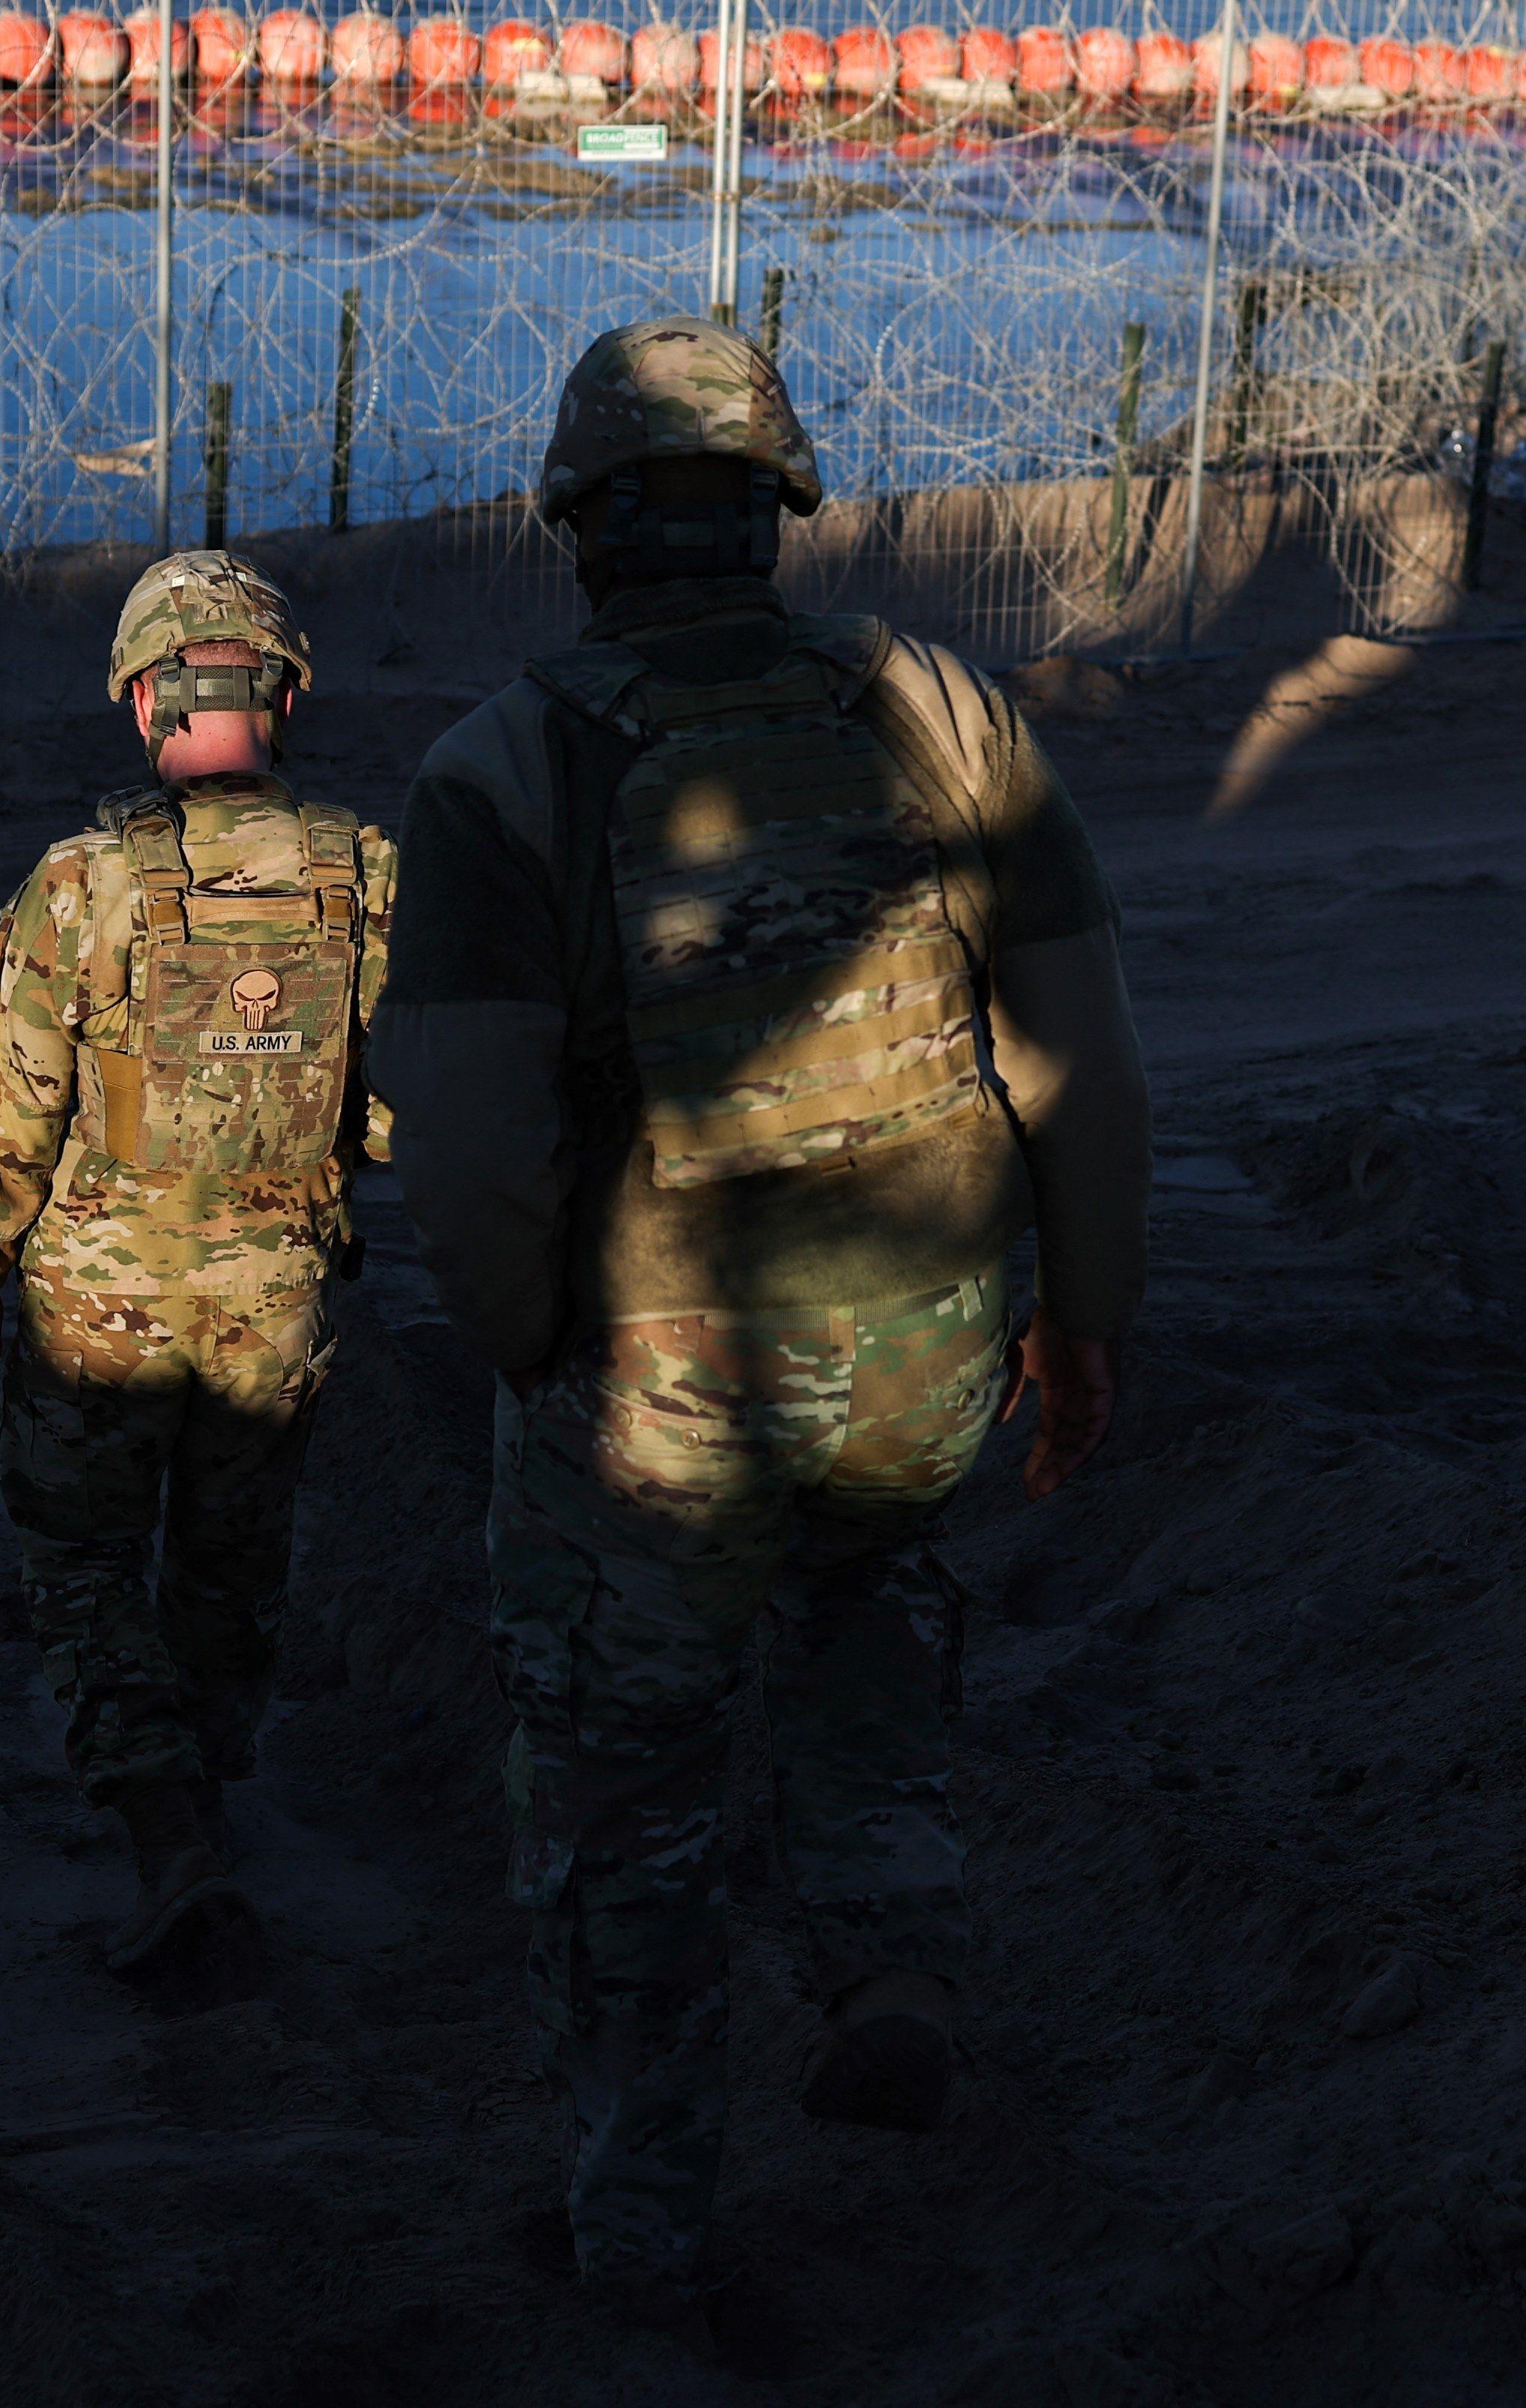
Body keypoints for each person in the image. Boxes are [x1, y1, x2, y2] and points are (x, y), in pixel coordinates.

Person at [376, 317, 1151, 2328]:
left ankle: (639, 2227)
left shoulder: (505, 764)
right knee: (870, 1624)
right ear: (781, 511)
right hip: (924, 1348)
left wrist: (540, 1343)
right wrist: (1081, 1327)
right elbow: (1079, 1054)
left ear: (577, 527)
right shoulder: (938, 709)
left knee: (621, 1807)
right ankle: (890, 1953)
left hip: (664, 1396)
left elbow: (466, 1148)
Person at [0, 549, 397, 1974]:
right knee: (232, 1561)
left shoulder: (82, 884)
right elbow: (399, 1104)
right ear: (287, 695)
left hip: (97, 1314)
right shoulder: (368, 876)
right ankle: (209, 1789)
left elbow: (6, 1114)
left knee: (80, 1563)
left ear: (143, 698)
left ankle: (164, 1832)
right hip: (278, 1305)